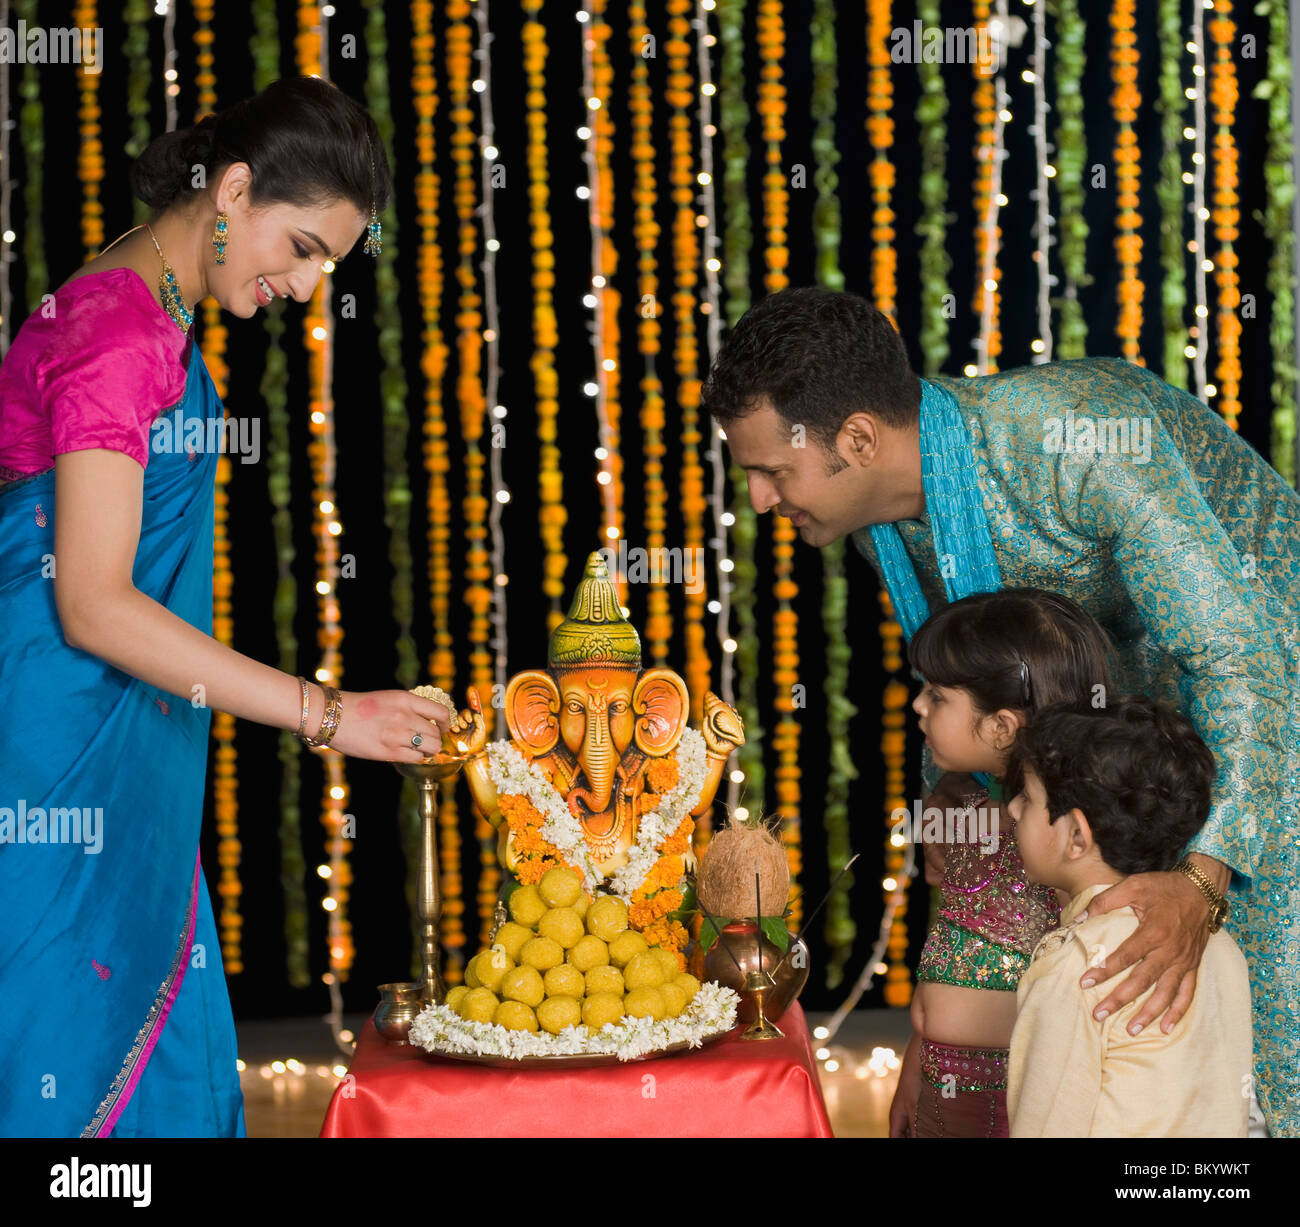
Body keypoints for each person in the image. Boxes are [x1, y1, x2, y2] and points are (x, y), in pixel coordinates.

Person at [702, 284, 1298, 1136]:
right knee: (1083, 985)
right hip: (1121, 742)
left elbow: (1241, 655)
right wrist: (961, 788)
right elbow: (982, 679)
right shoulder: (890, 526)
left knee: (1244, 1025)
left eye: (772, 470)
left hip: (1271, 702)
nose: (759, 499)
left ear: (859, 439)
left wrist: (1203, 880)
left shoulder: (1078, 445)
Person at [0, 77, 452, 1139]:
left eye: (325, 266)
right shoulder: (121, 334)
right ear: (235, 190)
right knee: (65, 1051)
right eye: (299, 248)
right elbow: (97, 607)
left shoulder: (143, 298)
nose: (304, 286)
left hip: (118, 751)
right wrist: (337, 716)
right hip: (59, 756)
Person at [887, 589, 1114, 1137]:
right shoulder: (967, 806)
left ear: (1003, 727)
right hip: (941, 1076)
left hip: (1011, 1095)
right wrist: (916, 1063)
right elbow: (949, 948)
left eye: (938, 696)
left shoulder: (1061, 833)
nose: (918, 705)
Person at [1006, 695, 1253, 1137]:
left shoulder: (1079, 962)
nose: (1012, 809)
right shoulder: (1217, 943)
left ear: (1076, 837)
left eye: (1026, 797)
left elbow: (1045, 1123)